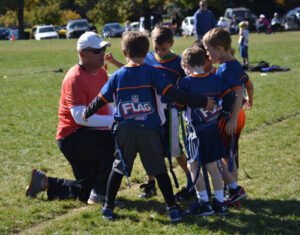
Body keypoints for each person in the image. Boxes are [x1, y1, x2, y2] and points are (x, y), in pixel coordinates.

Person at [83, 31, 215, 221]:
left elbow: (100, 99)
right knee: (159, 170)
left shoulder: (118, 76)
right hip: (149, 129)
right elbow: (175, 95)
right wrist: (202, 101)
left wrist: (86, 113)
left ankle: (108, 207)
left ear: (124, 52)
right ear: (146, 52)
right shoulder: (154, 73)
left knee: (119, 168)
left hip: (125, 129)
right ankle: (172, 208)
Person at [105, 26, 196, 201]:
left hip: (170, 112)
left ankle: (192, 179)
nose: (160, 52)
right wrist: (116, 62)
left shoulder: (178, 62)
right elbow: (131, 70)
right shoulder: (146, 57)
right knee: (150, 149)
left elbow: (186, 83)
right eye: (156, 48)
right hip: (150, 112)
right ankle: (151, 183)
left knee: (174, 149)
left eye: (164, 49)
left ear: (171, 44)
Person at [25, 32, 116, 204]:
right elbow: (80, 118)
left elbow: (107, 104)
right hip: (73, 137)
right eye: (97, 51)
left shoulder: (102, 73)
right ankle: (102, 193)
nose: (102, 54)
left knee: (83, 190)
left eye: (103, 50)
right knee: (111, 143)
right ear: (83, 53)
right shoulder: (74, 78)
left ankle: (43, 182)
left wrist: (115, 118)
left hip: (89, 133)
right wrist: (114, 121)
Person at [179, 46, 228, 215]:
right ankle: (220, 202)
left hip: (196, 132)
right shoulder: (215, 79)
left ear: (186, 64)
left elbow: (179, 104)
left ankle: (204, 203)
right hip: (213, 129)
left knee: (192, 165)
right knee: (213, 167)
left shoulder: (186, 83)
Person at [203, 28, 248, 206]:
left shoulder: (225, 69)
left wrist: (232, 119)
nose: (207, 54)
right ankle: (233, 191)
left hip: (230, 117)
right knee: (229, 155)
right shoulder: (234, 64)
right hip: (235, 115)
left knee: (226, 156)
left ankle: (234, 191)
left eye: (208, 50)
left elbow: (238, 94)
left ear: (220, 49)